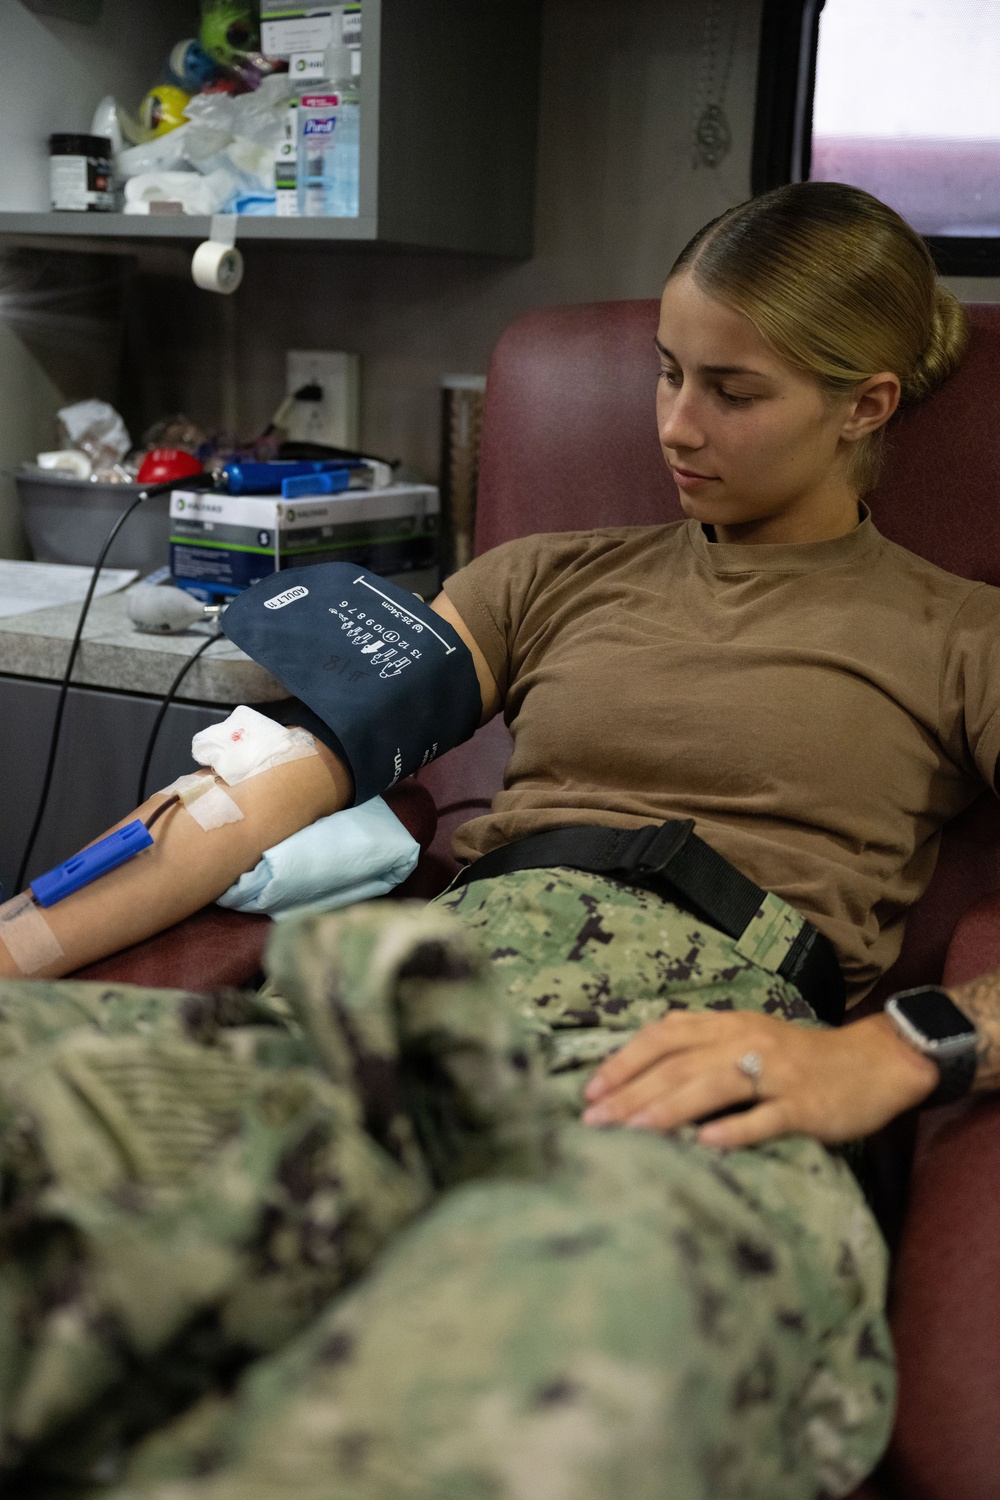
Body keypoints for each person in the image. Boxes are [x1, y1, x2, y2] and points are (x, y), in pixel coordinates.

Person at [3, 180, 1000, 1499]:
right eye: (662, 373)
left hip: (677, 1087)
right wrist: (15, 946)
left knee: (513, 1395)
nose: (674, 427)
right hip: (402, 1016)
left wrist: (897, 1052)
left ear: (863, 405)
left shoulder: (960, 636)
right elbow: (253, 786)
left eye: (731, 391)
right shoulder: (550, 577)